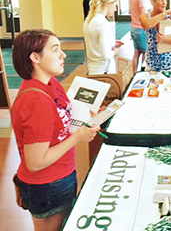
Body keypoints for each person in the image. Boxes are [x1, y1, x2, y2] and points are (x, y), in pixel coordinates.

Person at [11, 29, 100, 231]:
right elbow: (35, 162)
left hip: (62, 176)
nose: (64, 55)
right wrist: (78, 136)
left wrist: (86, 118)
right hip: (47, 185)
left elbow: (61, 120)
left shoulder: (51, 84)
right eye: (55, 49)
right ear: (35, 57)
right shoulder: (35, 101)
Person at [83, 0, 122, 75]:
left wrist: (112, 43)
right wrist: (115, 51)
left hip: (91, 69)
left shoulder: (89, 19)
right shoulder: (103, 24)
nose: (115, 9)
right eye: (115, 5)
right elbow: (106, 55)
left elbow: (95, 42)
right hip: (104, 71)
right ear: (108, 4)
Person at [129, 0, 151, 74]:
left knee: (136, 52)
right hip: (140, 28)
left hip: (133, 27)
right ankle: (142, 74)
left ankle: (134, 74)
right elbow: (143, 15)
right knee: (145, 53)